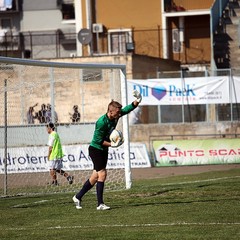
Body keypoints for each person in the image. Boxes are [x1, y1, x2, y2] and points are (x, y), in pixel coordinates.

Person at [72, 90, 142, 210]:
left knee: (94, 177)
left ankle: (78, 197)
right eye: (117, 113)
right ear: (110, 112)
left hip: (103, 150)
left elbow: (128, 108)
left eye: (119, 112)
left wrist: (138, 100)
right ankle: (100, 204)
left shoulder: (117, 114)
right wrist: (113, 145)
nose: (119, 114)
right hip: (96, 149)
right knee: (103, 174)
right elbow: (99, 141)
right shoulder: (101, 122)